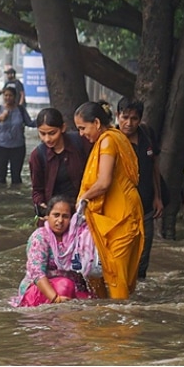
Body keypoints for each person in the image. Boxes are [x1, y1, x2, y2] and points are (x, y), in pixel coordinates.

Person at [74, 101, 145, 300]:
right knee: (104, 270)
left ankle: (121, 326)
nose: (81, 134)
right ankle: (108, 319)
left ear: (96, 122)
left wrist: (83, 198)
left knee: (116, 273)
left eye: (82, 128)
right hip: (118, 210)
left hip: (121, 214)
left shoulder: (107, 141)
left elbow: (104, 182)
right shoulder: (117, 137)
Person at [10, 195, 97, 307]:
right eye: (56, 215)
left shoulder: (77, 237)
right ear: (47, 216)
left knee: (93, 303)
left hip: (70, 288)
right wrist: (55, 298)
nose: (60, 221)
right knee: (65, 285)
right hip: (42, 290)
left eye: (65, 216)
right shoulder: (40, 237)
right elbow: (37, 273)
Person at [116, 98, 165, 279]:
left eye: (134, 119)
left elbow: (154, 167)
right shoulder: (111, 140)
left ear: (140, 119)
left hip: (145, 205)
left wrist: (158, 197)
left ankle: (140, 294)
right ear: (117, 116)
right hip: (120, 209)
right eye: (125, 117)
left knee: (144, 253)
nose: (129, 123)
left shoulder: (146, 135)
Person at [29, 108, 90, 222]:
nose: (47, 139)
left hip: (83, 208)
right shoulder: (37, 155)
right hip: (56, 214)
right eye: (42, 134)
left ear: (63, 128)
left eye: (52, 133)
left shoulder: (81, 142)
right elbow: (37, 190)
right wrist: (43, 207)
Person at [0, 83, 35, 186]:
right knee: (0, 175)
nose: (8, 98)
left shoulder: (20, 110)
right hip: (0, 146)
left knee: (16, 176)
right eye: (5, 95)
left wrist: (42, 120)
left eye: (10, 95)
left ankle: (15, 197)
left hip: (18, 147)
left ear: (15, 97)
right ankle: (0, 197)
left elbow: (30, 123)